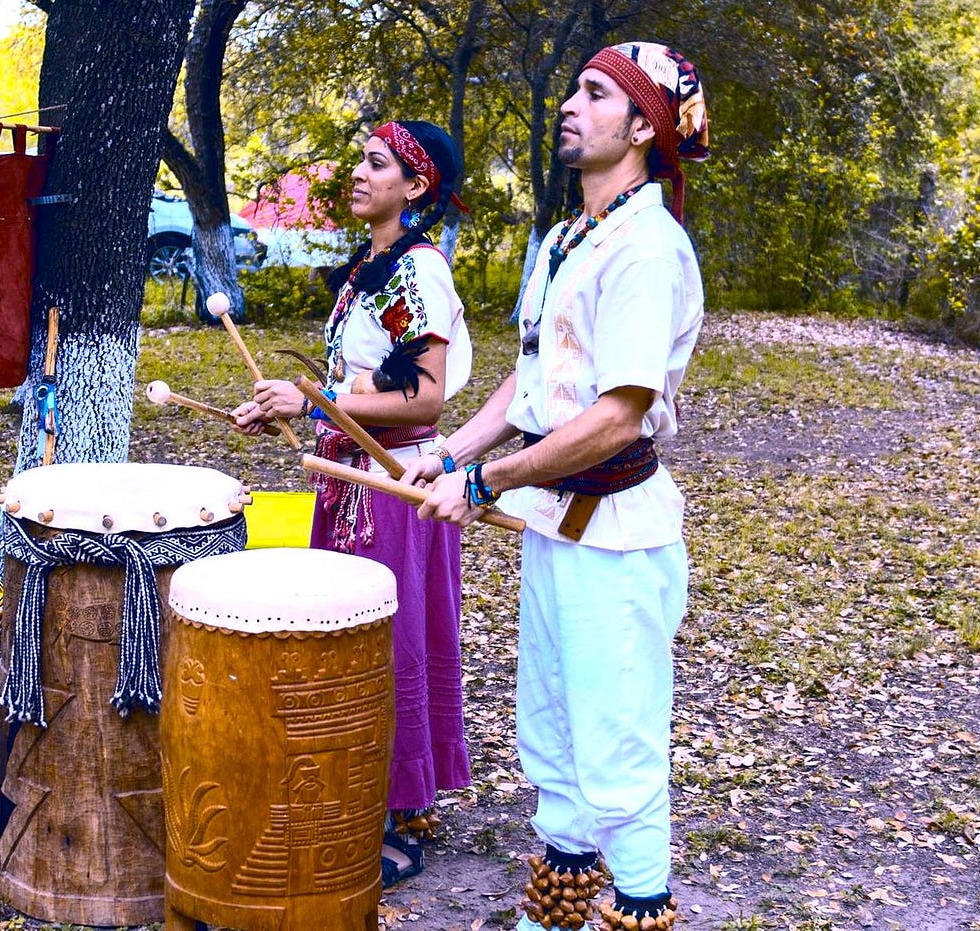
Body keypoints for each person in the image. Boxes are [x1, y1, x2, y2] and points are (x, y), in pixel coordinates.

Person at [401, 42, 710, 931]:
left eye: (596, 92)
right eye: (574, 89)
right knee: (554, 730)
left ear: (644, 126)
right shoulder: (573, 236)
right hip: (558, 523)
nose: (572, 104)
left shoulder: (647, 249)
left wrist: (485, 482)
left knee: (617, 742)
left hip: (618, 535)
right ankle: (559, 912)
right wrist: (450, 454)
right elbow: (534, 376)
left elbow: (617, 417)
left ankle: (641, 906)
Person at [233, 119, 474, 887]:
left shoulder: (417, 272)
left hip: (393, 489)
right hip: (349, 485)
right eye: (360, 161)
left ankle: (395, 816)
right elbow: (356, 385)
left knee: (386, 645)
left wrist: (314, 401)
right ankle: (355, 795)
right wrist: (290, 404)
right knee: (348, 645)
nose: (360, 174)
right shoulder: (372, 266)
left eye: (378, 164)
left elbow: (424, 396)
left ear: (416, 186)